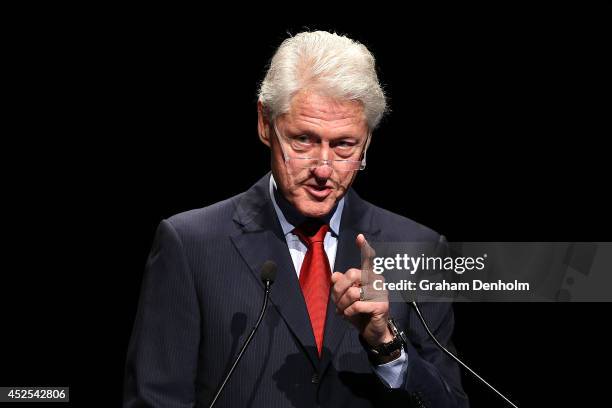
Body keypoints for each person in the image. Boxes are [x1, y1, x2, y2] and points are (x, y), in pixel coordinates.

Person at [124, 30, 469, 408]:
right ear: (265, 124)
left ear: (367, 140)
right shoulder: (190, 245)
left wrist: (386, 346)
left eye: (344, 145)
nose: (324, 168)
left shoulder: (418, 249)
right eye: (304, 140)